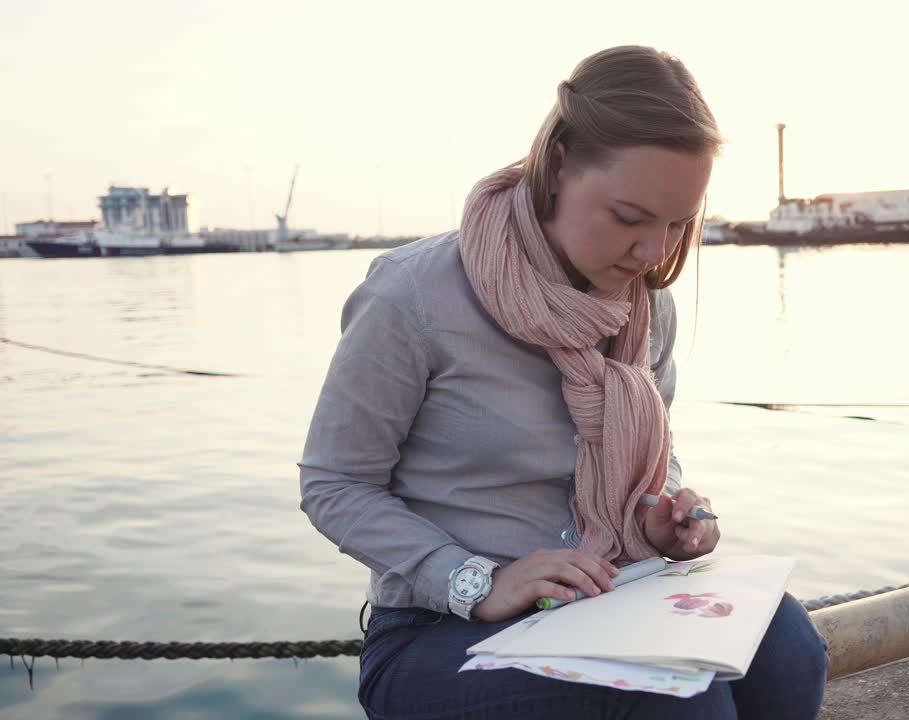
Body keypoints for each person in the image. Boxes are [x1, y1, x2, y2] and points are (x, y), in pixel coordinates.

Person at [298, 45, 828, 720]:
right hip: (442, 634)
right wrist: (477, 580)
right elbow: (334, 484)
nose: (653, 253)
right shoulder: (413, 296)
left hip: (610, 595)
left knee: (789, 649)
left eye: (677, 224)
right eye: (630, 218)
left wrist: (665, 515)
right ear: (555, 172)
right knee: (677, 706)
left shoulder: (644, 303)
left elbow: (652, 458)